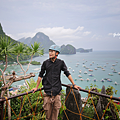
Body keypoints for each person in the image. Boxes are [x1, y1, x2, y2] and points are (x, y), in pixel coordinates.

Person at [32, 45, 81, 120]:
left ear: (57, 53)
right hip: (47, 92)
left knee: (55, 116)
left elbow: (67, 73)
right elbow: (40, 75)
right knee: (48, 116)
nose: (50, 53)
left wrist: (74, 84)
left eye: (52, 51)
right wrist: (36, 87)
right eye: (49, 51)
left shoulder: (61, 63)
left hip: (57, 92)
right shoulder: (45, 63)